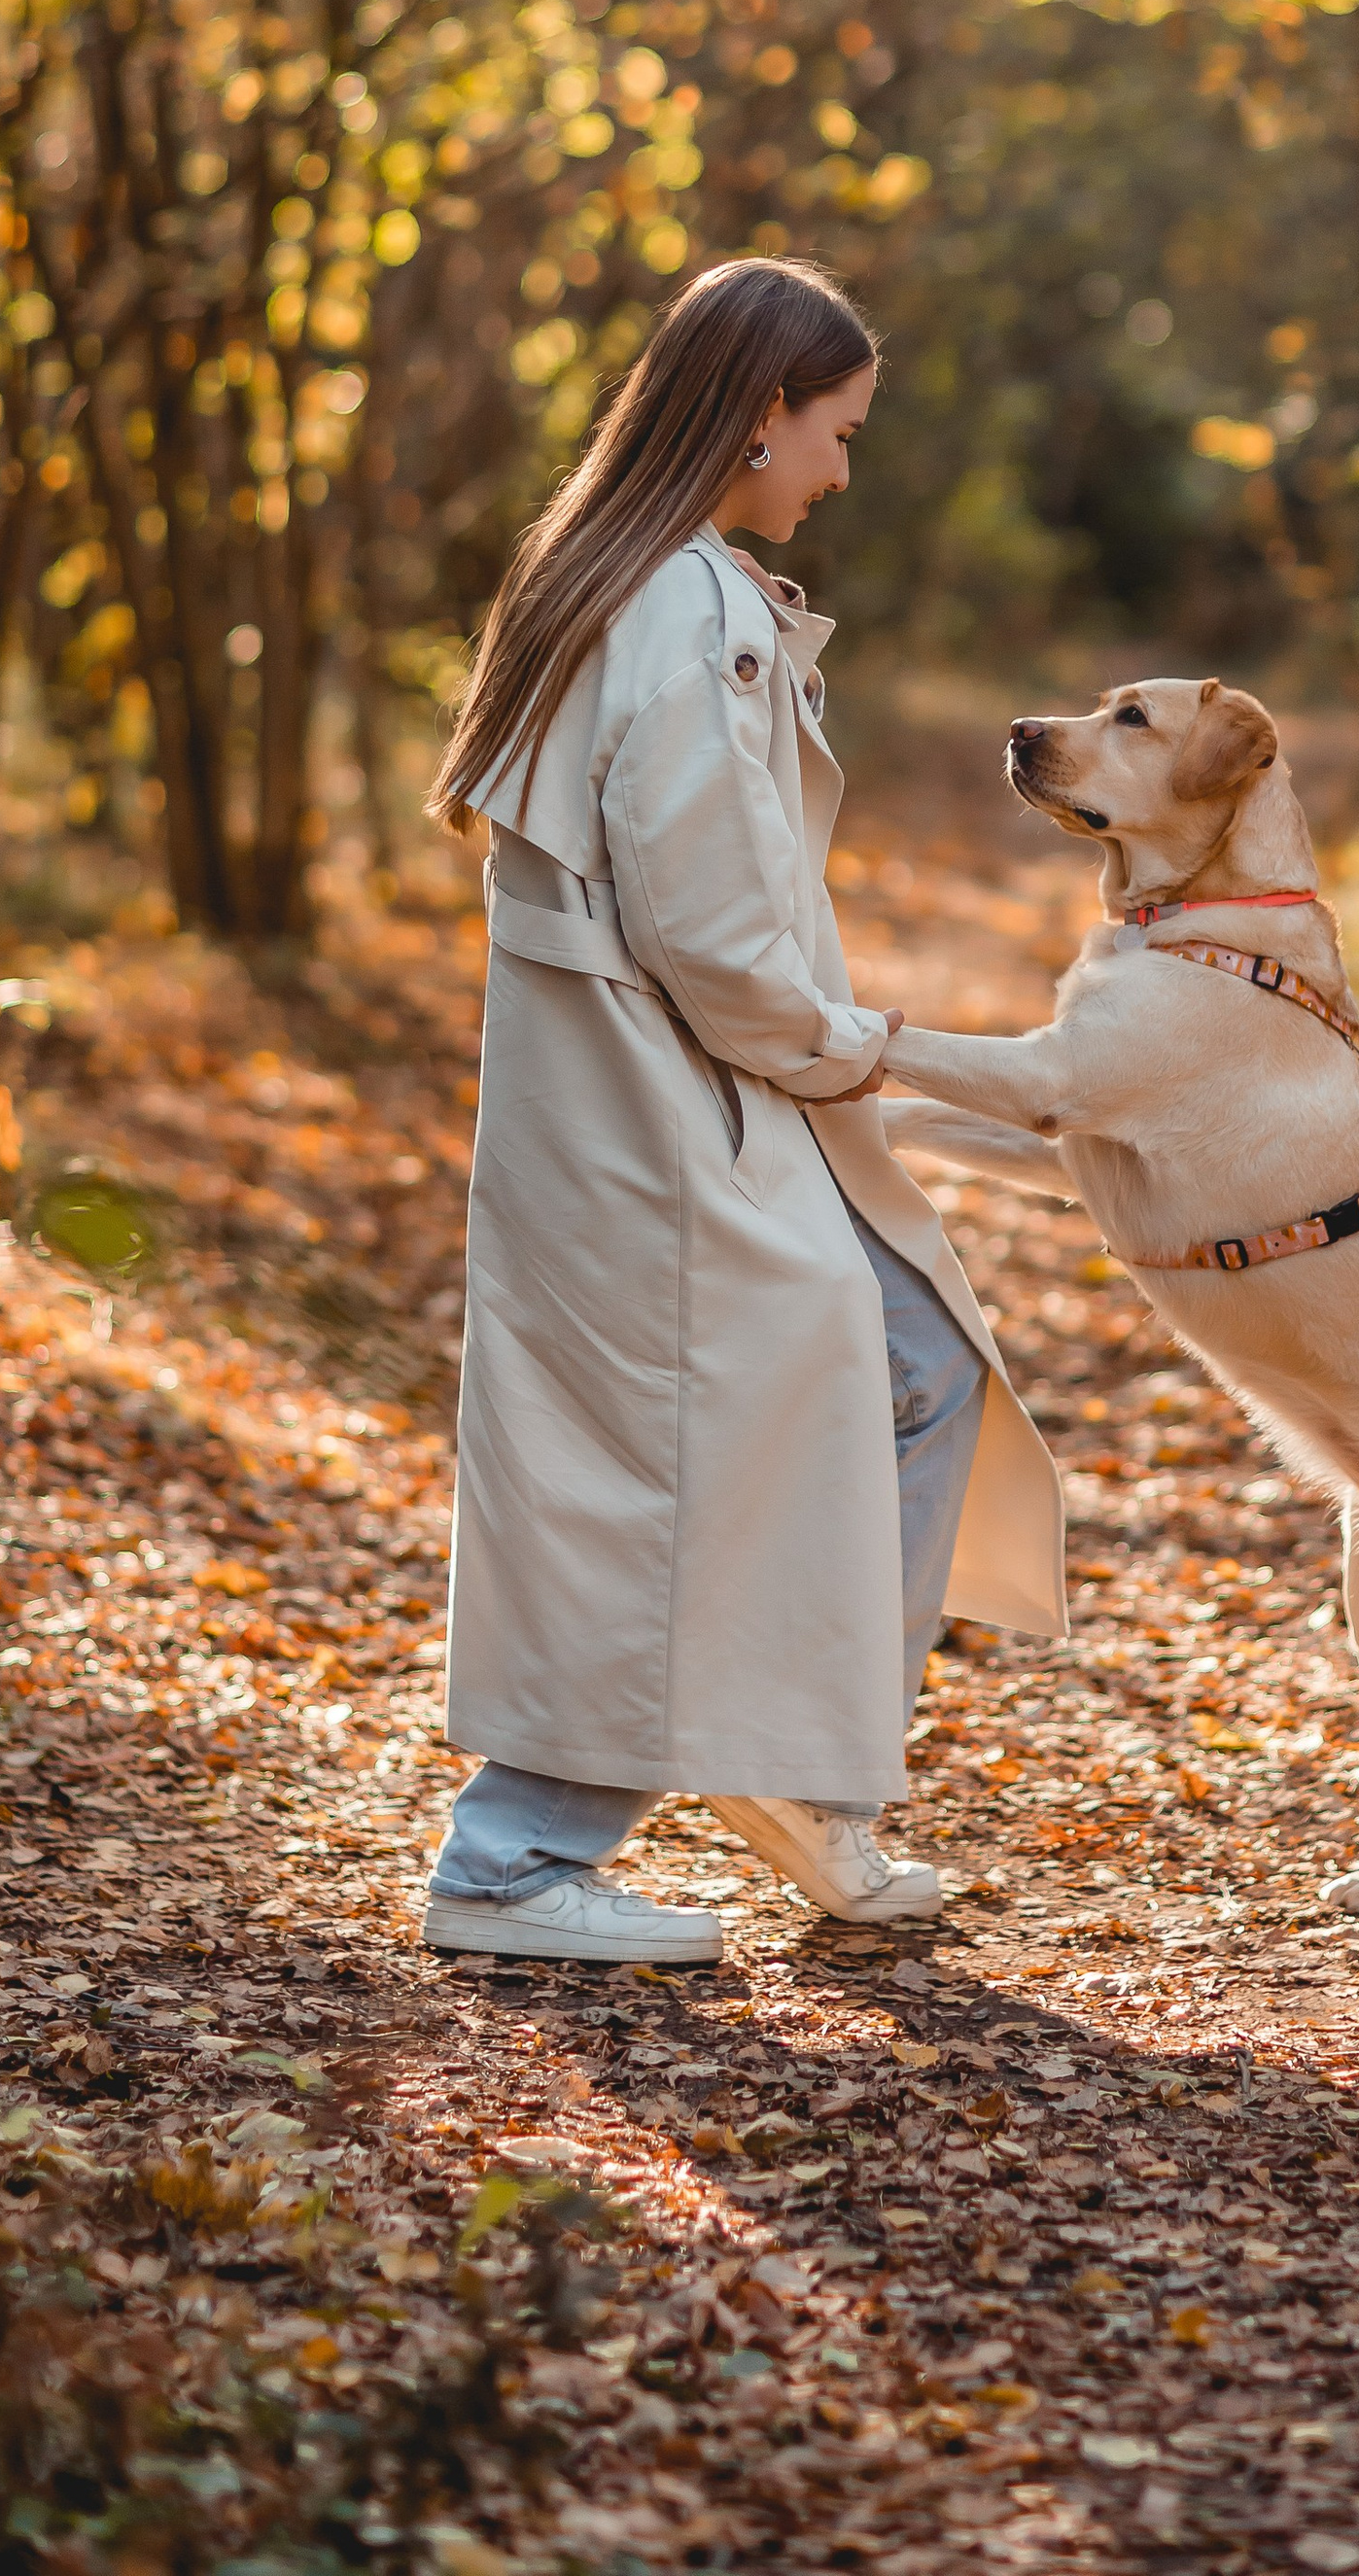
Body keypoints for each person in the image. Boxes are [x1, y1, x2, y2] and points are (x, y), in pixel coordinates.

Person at [416, 255, 1065, 1962]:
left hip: (636, 1104)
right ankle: (516, 1860)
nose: (842, 472)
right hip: (663, 1109)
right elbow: (707, 931)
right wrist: (847, 1043)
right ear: (760, 411)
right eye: (835, 432)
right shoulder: (685, 608)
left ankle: (781, 1755)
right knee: (674, 1449)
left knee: (896, 1365)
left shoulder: (628, 574)